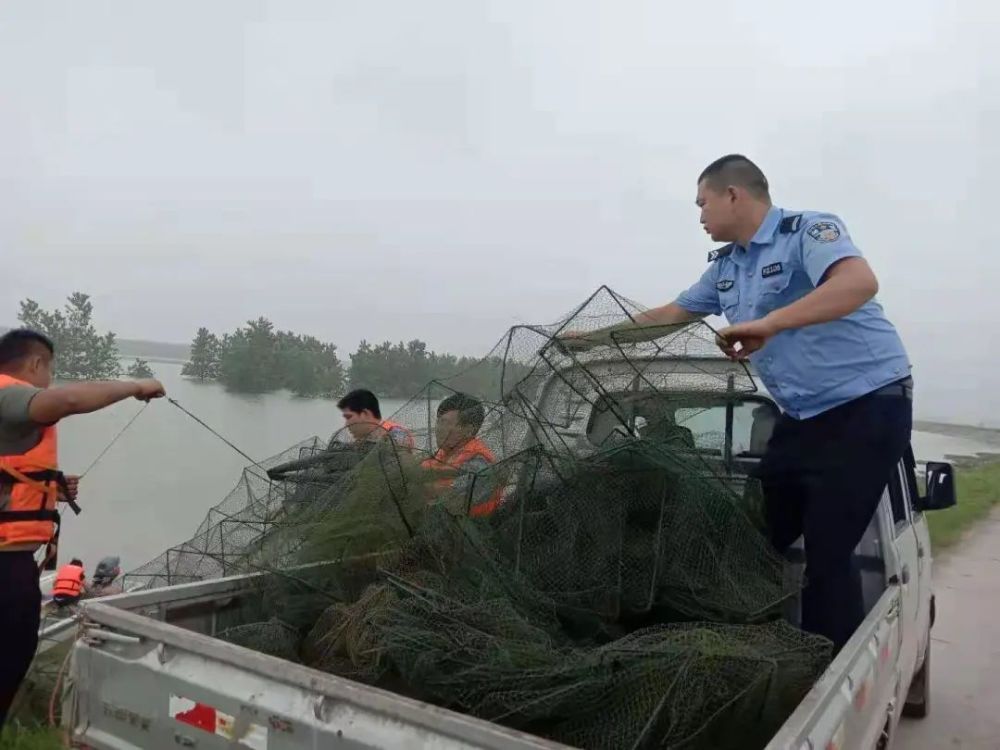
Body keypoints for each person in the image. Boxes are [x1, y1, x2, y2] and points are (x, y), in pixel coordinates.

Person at [561, 155, 912, 652]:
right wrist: (594, 339)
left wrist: (771, 323)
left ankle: (822, 669)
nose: (700, 216)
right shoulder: (728, 266)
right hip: (803, 417)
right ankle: (747, 639)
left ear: (734, 195)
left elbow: (858, 284)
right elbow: (671, 314)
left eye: (703, 203)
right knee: (758, 534)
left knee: (828, 550)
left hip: (868, 404)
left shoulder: (808, 231)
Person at [0, 328, 166, 729]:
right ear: (36, 363)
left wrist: (44, 488)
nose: (49, 381)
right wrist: (136, 386)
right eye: (49, 371)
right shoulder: (9, 393)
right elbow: (69, 400)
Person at [421, 393, 502, 517]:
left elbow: (457, 494)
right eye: (439, 422)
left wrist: (417, 486)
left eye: (446, 423)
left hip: (467, 529)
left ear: (469, 430)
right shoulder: (442, 453)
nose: (438, 428)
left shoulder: (480, 463)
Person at [337, 389, 415, 449]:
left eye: (349, 417)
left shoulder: (396, 433)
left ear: (365, 414)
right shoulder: (364, 437)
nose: (346, 424)